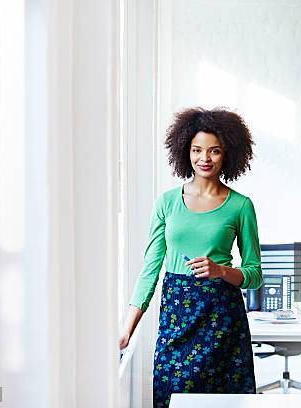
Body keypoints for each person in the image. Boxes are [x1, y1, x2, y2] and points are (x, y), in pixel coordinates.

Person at [118, 107, 263, 407]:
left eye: (214, 151)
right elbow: (150, 269)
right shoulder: (167, 203)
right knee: (172, 394)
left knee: (224, 401)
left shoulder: (241, 206)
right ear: (185, 150)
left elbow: (254, 273)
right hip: (176, 315)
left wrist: (221, 270)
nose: (204, 159)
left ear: (228, 154)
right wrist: (126, 330)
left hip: (222, 319)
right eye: (197, 150)